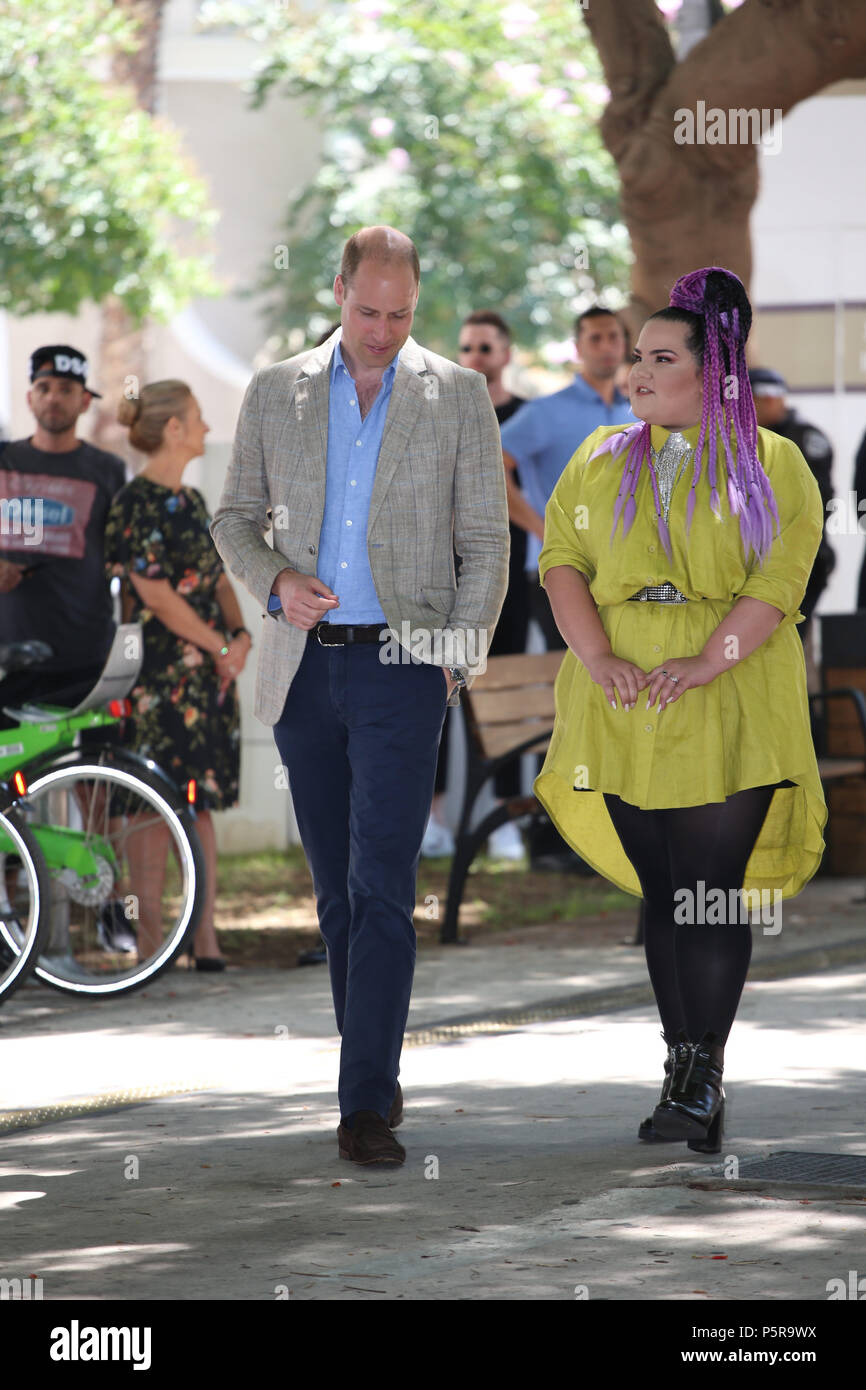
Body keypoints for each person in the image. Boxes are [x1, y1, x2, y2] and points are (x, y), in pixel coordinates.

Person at [211, 226, 509, 1166]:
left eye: (402, 313)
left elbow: (487, 544)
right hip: (304, 667)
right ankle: (370, 1061)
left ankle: (364, 1102)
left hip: (404, 667)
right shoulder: (275, 390)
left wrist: (453, 659)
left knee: (383, 884)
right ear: (338, 290)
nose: (382, 331)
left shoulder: (456, 396)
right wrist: (271, 583)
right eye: (368, 309)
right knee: (336, 895)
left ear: (418, 303)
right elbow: (232, 516)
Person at [535, 267, 826, 1153]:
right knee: (664, 895)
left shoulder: (771, 462)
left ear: (715, 372)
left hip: (730, 699)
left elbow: (779, 582)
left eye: (661, 357)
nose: (637, 373)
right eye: (635, 357)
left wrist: (706, 658)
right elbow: (560, 559)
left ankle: (702, 1074)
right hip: (620, 701)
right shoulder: (598, 457)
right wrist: (597, 655)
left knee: (708, 894)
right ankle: (685, 1072)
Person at [105, 380, 249, 971]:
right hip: (157, 683)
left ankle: (205, 939)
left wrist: (239, 639)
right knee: (148, 812)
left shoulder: (190, 501)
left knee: (201, 807)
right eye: (196, 417)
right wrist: (219, 643)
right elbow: (156, 595)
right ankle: (149, 944)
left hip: (207, 682)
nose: (207, 428)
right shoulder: (133, 502)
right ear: (172, 428)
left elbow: (217, 579)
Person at [422, 310, 528, 861]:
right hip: (445, 576)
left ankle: (505, 817)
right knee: (435, 692)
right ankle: (433, 818)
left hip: (506, 578)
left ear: (507, 354)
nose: (476, 358)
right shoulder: (442, 408)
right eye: (467, 348)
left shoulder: (527, 418)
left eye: (486, 348)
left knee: (503, 691)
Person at [500, 306, 634, 651]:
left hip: (627, 570)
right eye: (595, 338)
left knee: (625, 681)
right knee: (573, 676)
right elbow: (491, 466)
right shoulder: (544, 412)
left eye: (613, 336)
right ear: (578, 347)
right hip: (563, 568)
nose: (606, 346)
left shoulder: (635, 413)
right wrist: (543, 528)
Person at [0, 345, 126, 711]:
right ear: (29, 398)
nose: (53, 397)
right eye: (44, 388)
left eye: (66, 390)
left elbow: (127, 559)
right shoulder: (4, 460)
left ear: (85, 401)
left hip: (86, 657)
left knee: (92, 765)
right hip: (9, 660)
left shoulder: (109, 471)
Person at [748, 367, 836, 638]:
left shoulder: (803, 439)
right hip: (753, 560)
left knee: (788, 639)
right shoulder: (739, 440)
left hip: (801, 559)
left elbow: (817, 501)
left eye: (754, 401)